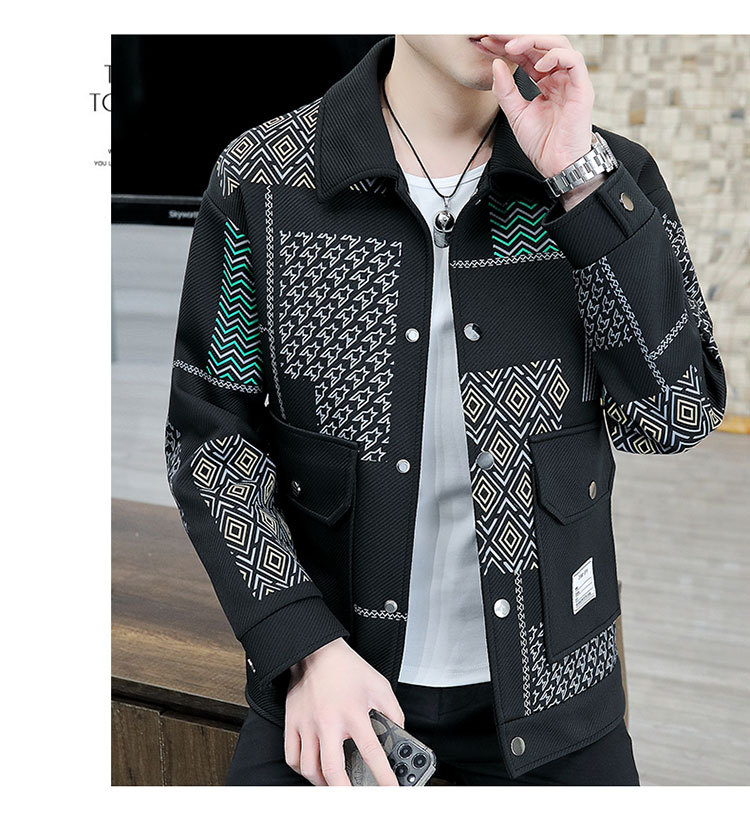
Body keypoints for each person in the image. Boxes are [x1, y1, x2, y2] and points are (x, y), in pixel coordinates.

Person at [164, 34, 726, 786]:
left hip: (558, 695)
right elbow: (208, 441)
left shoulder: (605, 173)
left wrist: (580, 183)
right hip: (334, 686)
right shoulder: (264, 178)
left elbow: (677, 415)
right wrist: (305, 649)